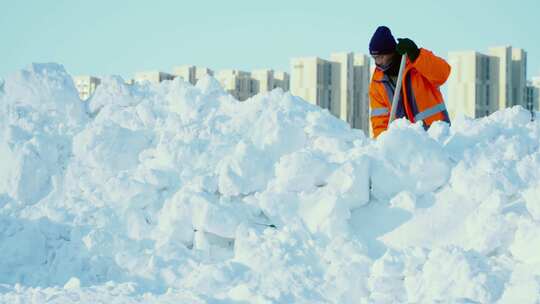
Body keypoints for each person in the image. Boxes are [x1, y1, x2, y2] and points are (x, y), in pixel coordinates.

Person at [368, 26, 451, 138]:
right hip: (405, 145)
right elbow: (380, 121)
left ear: (391, 52)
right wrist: (383, 144)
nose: (378, 62)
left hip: (435, 137)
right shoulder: (377, 82)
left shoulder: (417, 64)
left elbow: (443, 74)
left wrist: (417, 55)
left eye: (382, 56)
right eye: (375, 58)